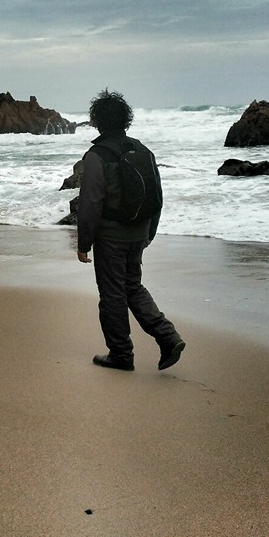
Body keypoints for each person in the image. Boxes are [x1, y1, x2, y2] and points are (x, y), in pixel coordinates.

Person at [76, 90, 185, 371]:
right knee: (133, 286)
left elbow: (90, 202)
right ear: (126, 120)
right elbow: (156, 196)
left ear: (97, 121)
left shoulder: (97, 155)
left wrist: (83, 243)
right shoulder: (143, 150)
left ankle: (121, 354)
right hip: (139, 232)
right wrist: (150, 232)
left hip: (110, 238)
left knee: (112, 294)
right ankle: (168, 337)